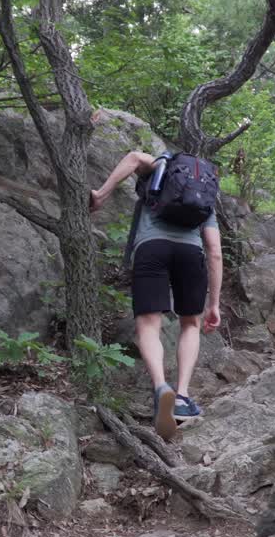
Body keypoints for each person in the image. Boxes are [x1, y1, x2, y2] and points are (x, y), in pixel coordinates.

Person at [90, 151, 222, 441]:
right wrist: (214, 304)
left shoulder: (162, 166)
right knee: (191, 324)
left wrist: (101, 194)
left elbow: (133, 157)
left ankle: (161, 386)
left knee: (149, 325)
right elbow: (214, 251)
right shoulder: (204, 194)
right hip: (191, 254)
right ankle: (182, 396)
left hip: (151, 249)